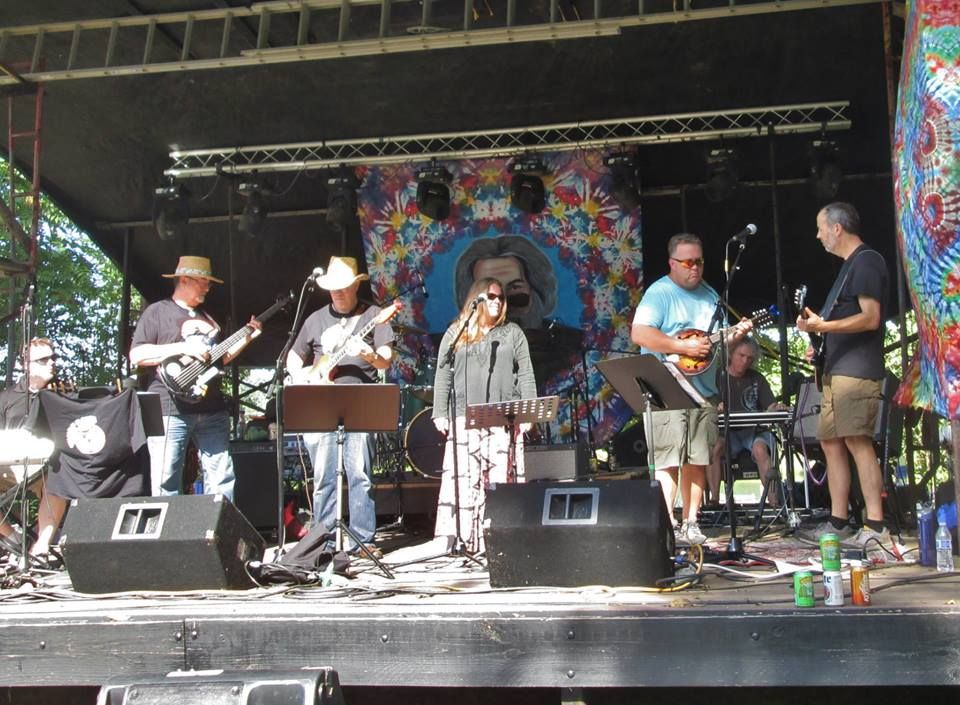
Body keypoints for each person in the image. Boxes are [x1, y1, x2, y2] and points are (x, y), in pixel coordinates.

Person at [631, 234, 751, 544]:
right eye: (687, 262)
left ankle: (691, 521)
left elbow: (716, 344)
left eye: (699, 261)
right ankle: (665, 524)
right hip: (666, 389)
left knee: (698, 459)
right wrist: (680, 346)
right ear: (672, 263)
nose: (694, 268)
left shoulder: (710, 295)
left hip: (703, 392)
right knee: (668, 460)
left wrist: (735, 335)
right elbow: (640, 334)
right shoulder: (659, 293)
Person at [796, 202, 890, 547]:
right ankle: (838, 522)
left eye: (821, 228)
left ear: (837, 228)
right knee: (830, 442)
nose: (818, 235)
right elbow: (842, 320)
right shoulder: (848, 267)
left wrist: (824, 326)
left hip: (857, 371)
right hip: (836, 370)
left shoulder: (867, 261)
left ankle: (876, 527)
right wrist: (820, 342)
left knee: (857, 441)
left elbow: (871, 317)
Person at [286, 256, 394, 555]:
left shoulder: (373, 315)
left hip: (360, 405)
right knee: (323, 477)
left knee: (360, 474)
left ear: (356, 286)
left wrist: (369, 355)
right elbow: (293, 356)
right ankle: (324, 541)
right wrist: (302, 376)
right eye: (333, 288)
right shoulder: (315, 319)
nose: (338, 293)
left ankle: (363, 541)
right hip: (321, 405)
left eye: (344, 287)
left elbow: (386, 360)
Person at [130, 256, 261, 501]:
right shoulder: (157, 312)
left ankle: (219, 524)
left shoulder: (208, 318)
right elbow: (137, 355)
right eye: (203, 282)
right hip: (169, 408)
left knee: (222, 476)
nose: (207, 288)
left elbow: (219, 359)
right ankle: (169, 526)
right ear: (184, 280)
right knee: (166, 477)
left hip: (211, 408)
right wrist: (183, 348)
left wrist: (247, 338)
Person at [431, 277, 538, 552]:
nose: (497, 301)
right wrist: (440, 411)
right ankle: (465, 540)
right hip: (464, 418)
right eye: (491, 296)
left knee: (499, 479)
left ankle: (498, 539)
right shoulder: (456, 332)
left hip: (503, 418)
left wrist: (528, 413)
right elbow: (443, 373)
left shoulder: (512, 333)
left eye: (501, 297)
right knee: (466, 481)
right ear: (476, 298)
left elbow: (526, 373)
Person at [0, 338, 67, 557]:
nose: (51, 363)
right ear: (26, 365)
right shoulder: (6, 398)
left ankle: (41, 545)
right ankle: (13, 539)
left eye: (53, 358)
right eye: (43, 359)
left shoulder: (63, 394)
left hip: (48, 467)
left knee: (61, 477)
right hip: (9, 467)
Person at [707, 337, 787, 507]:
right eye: (741, 355)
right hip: (727, 432)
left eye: (749, 358)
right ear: (731, 354)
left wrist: (777, 408)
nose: (745, 361)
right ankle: (714, 500)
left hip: (754, 431)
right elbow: (706, 403)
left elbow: (770, 405)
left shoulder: (757, 378)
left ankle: (774, 503)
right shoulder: (717, 376)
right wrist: (716, 406)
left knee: (760, 449)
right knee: (715, 448)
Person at [454, 235, 557, 330]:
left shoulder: (563, 341)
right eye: (489, 291)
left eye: (515, 288)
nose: (503, 304)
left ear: (535, 289)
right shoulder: (456, 341)